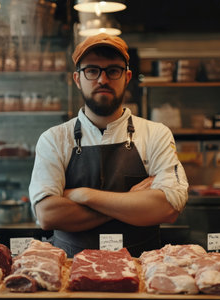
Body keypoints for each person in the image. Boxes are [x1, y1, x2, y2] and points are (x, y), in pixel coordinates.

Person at [29, 33, 188, 257]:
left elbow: (168, 208)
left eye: (113, 71)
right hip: (69, 276)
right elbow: (47, 215)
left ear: (127, 76)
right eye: (92, 70)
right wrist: (132, 201)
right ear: (77, 79)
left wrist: (82, 195)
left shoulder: (156, 134)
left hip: (141, 277)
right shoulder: (54, 139)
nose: (103, 79)